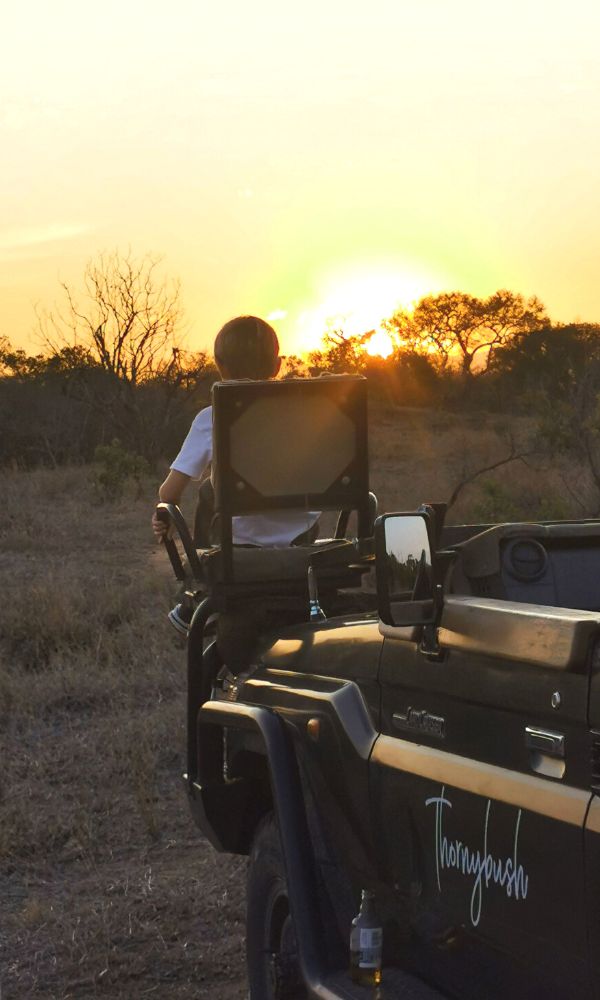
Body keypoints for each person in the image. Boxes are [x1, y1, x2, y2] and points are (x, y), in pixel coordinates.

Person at [152, 315, 320, 635]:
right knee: (211, 491)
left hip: (238, 552)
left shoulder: (212, 417)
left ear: (220, 366)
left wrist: (165, 513)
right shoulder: (312, 414)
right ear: (278, 365)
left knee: (208, 491)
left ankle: (201, 594)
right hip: (303, 545)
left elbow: (168, 494)